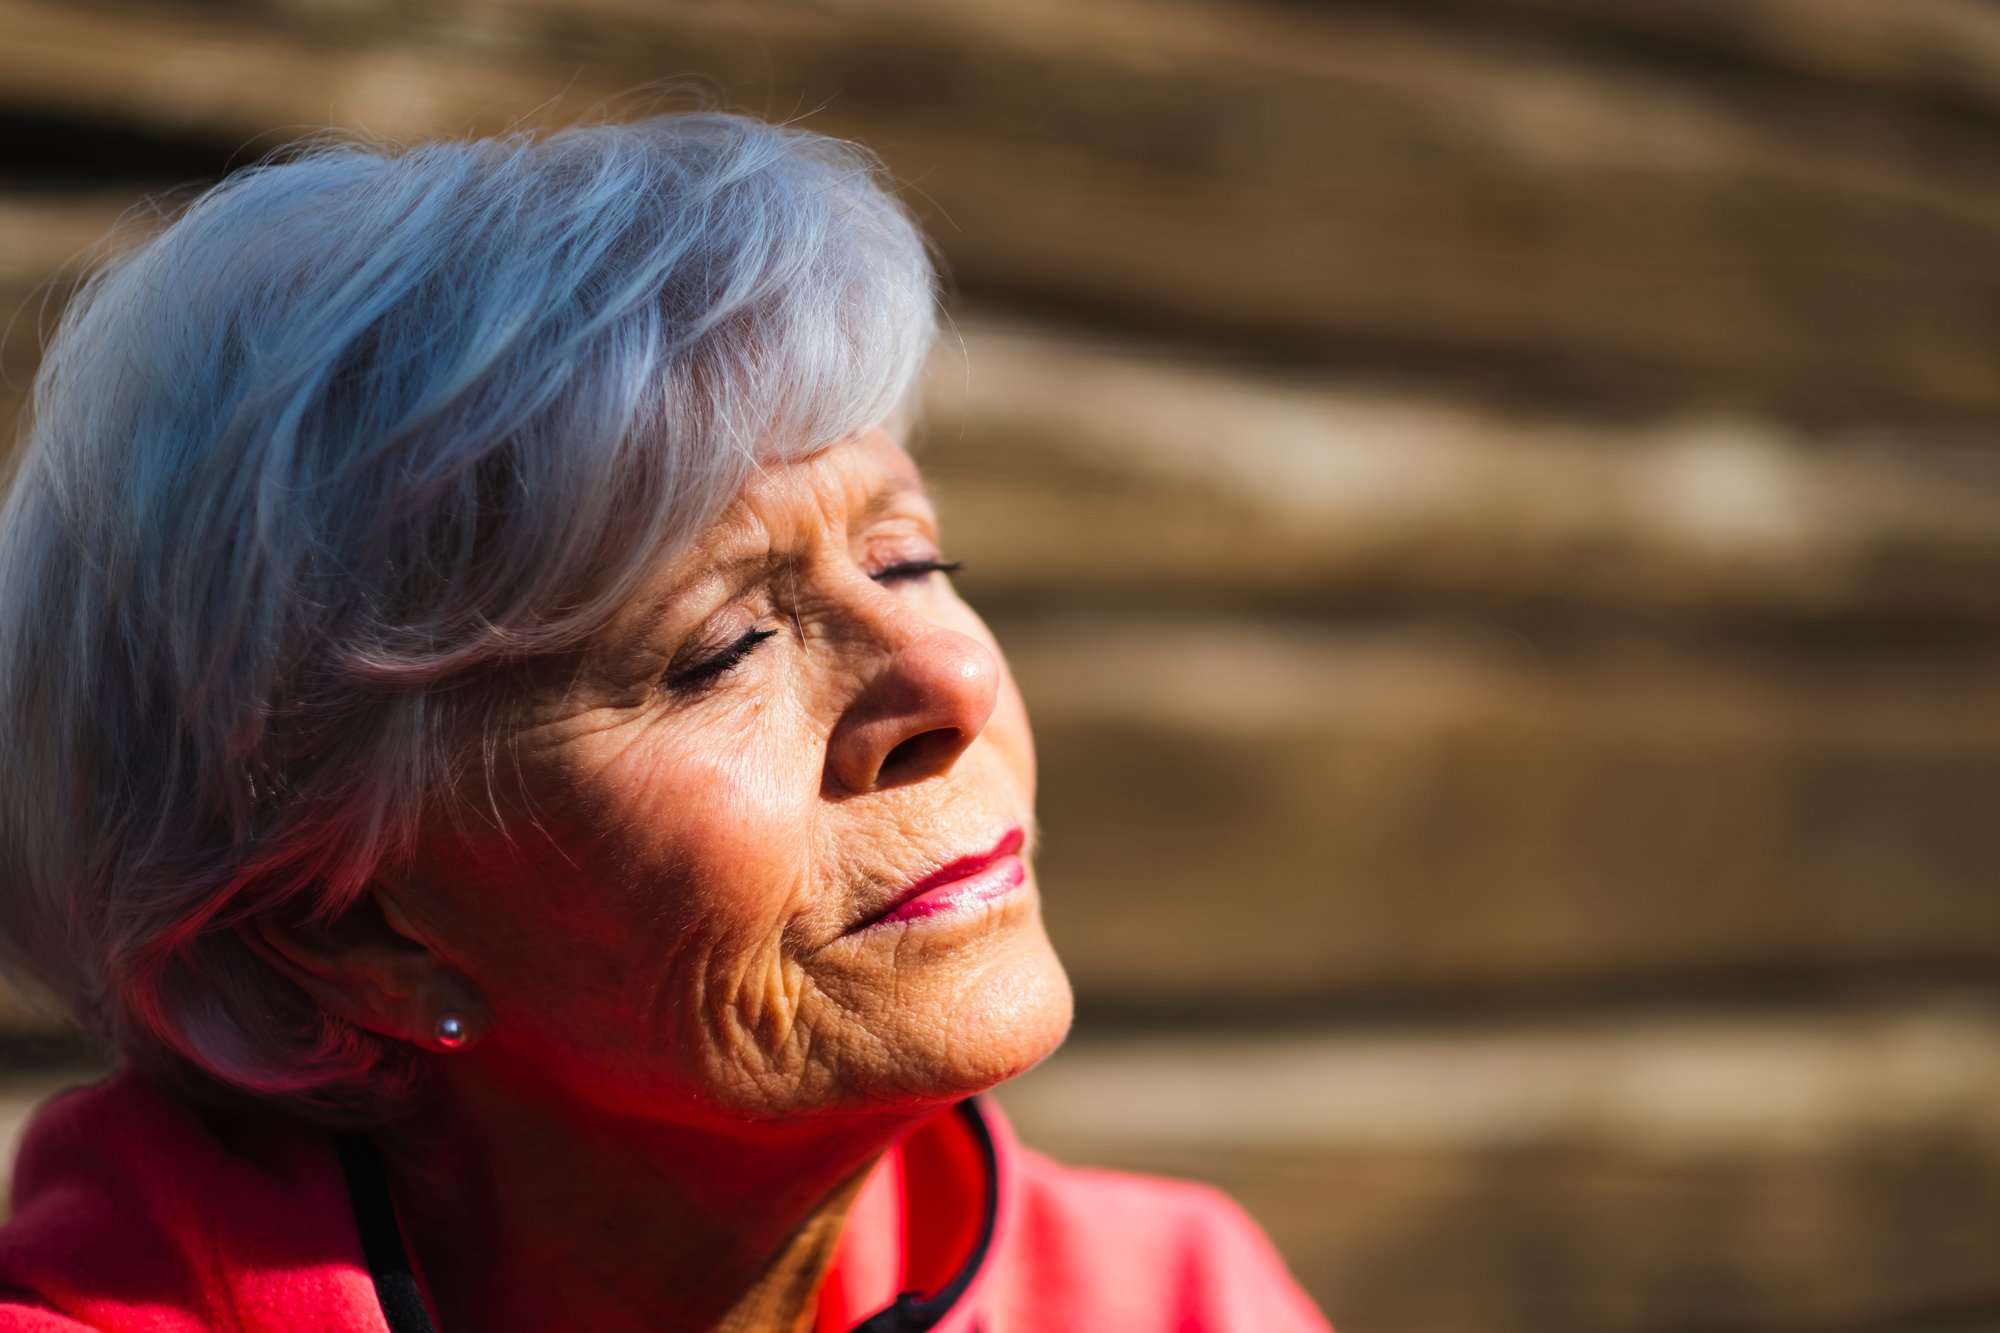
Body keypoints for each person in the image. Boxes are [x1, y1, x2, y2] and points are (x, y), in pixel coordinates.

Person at [0, 112, 1330, 1333]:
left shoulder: (1176, 1295)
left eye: (910, 560)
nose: (949, 684)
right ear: (358, 932)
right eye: (723, 648)